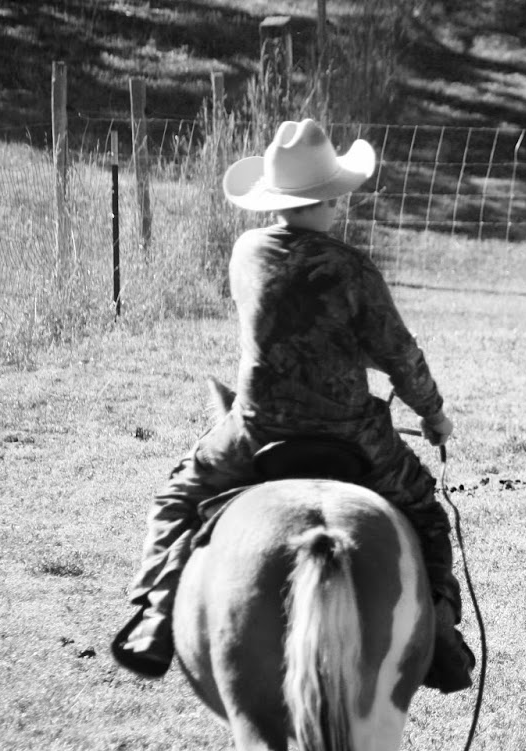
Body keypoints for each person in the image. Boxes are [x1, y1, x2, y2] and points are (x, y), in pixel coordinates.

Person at [112, 118, 475, 694]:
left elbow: (286, 326)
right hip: (353, 435)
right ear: (331, 198)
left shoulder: (245, 253)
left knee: (180, 495)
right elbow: (399, 354)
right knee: (426, 511)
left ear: (274, 199)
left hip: (258, 428)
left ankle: (155, 614)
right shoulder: (351, 267)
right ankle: (439, 634)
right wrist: (432, 414)